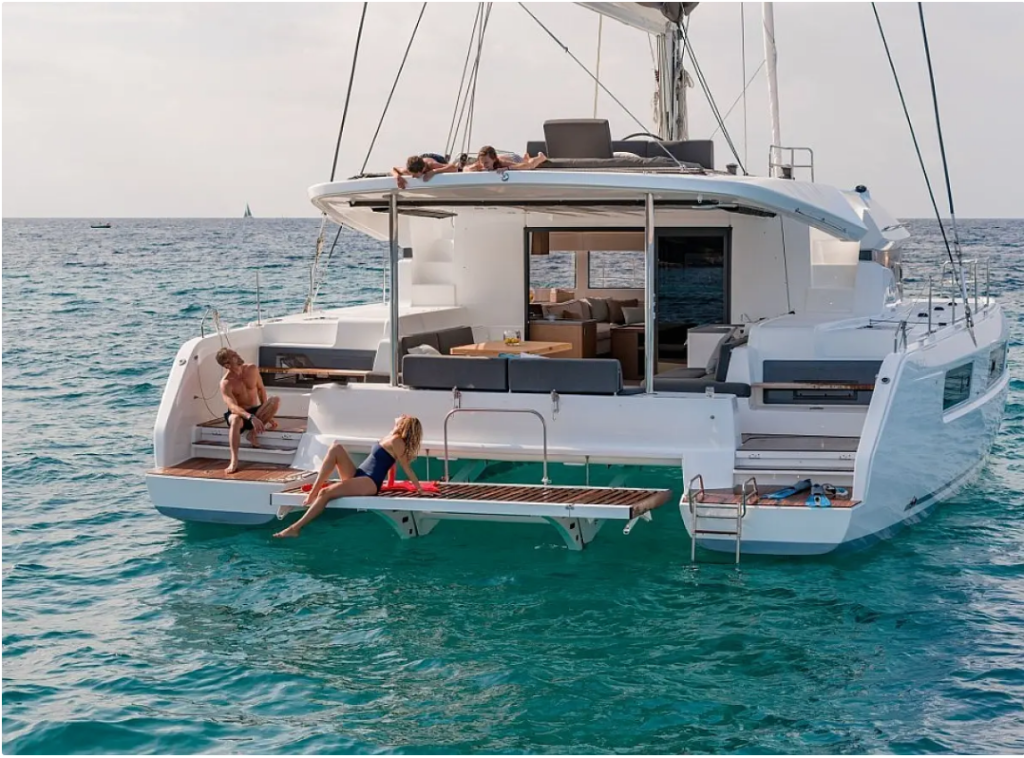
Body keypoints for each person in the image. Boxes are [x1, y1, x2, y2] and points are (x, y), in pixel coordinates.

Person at [273, 415, 429, 538]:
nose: (400, 415)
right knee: (336, 448)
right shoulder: (391, 436)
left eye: (403, 417)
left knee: (325, 493)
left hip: (369, 482)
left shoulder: (397, 441)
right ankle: (313, 491)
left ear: (404, 425)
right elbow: (391, 464)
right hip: (359, 475)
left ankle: (295, 528)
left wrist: (419, 489)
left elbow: (406, 468)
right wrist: (390, 483)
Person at [216, 348, 280, 475]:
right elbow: (232, 406)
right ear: (227, 365)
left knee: (275, 400)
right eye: (233, 356)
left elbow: (261, 390)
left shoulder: (252, 369)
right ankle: (234, 460)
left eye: (235, 353)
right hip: (239, 414)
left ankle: (252, 434)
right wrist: (250, 417)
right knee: (235, 419)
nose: (238, 355)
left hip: (254, 411)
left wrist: (268, 414)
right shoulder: (226, 382)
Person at [463, 145, 548, 174]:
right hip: (505, 157)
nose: (484, 165)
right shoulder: (480, 164)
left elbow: (526, 166)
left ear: (494, 159)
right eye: (482, 162)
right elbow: (465, 169)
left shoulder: (502, 163)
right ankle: (526, 157)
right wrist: (475, 170)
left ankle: (540, 157)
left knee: (530, 164)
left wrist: (507, 168)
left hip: (514, 159)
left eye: (486, 163)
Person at [391, 153, 457, 189]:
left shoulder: (432, 164)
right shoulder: (408, 170)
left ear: (422, 170)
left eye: (414, 175)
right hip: (420, 159)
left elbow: (454, 168)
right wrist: (397, 177)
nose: (413, 177)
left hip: (436, 159)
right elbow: (394, 169)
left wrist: (434, 171)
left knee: (444, 165)